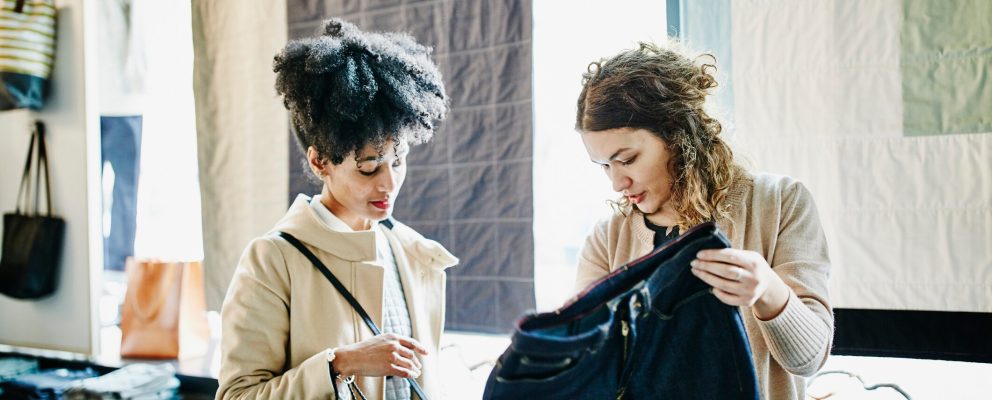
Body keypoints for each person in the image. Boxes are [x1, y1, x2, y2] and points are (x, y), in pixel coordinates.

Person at [573, 41, 833, 400]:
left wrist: (767, 290)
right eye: (605, 166)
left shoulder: (780, 203)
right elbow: (589, 370)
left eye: (628, 159)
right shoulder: (607, 239)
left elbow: (809, 359)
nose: (617, 183)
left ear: (677, 135)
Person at [217, 19, 457, 400]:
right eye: (369, 167)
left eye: (398, 161)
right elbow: (237, 395)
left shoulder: (408, 250)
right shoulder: (272, 261)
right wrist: (340, 363)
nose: (389, 183)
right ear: (320, 163)